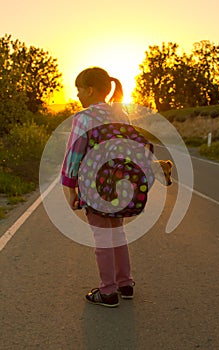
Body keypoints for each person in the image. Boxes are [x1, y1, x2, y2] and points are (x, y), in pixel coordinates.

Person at [61, 67, 134, 307]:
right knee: (117, 233)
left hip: (94, 186)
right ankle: (125, 284)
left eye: (79, 89)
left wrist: (70, 186)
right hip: (120, 185)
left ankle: (108, 292)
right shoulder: (121, 115)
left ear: (90, 90)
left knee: (102, 237)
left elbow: (74, 154)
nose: (77, 95)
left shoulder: (84, 118)